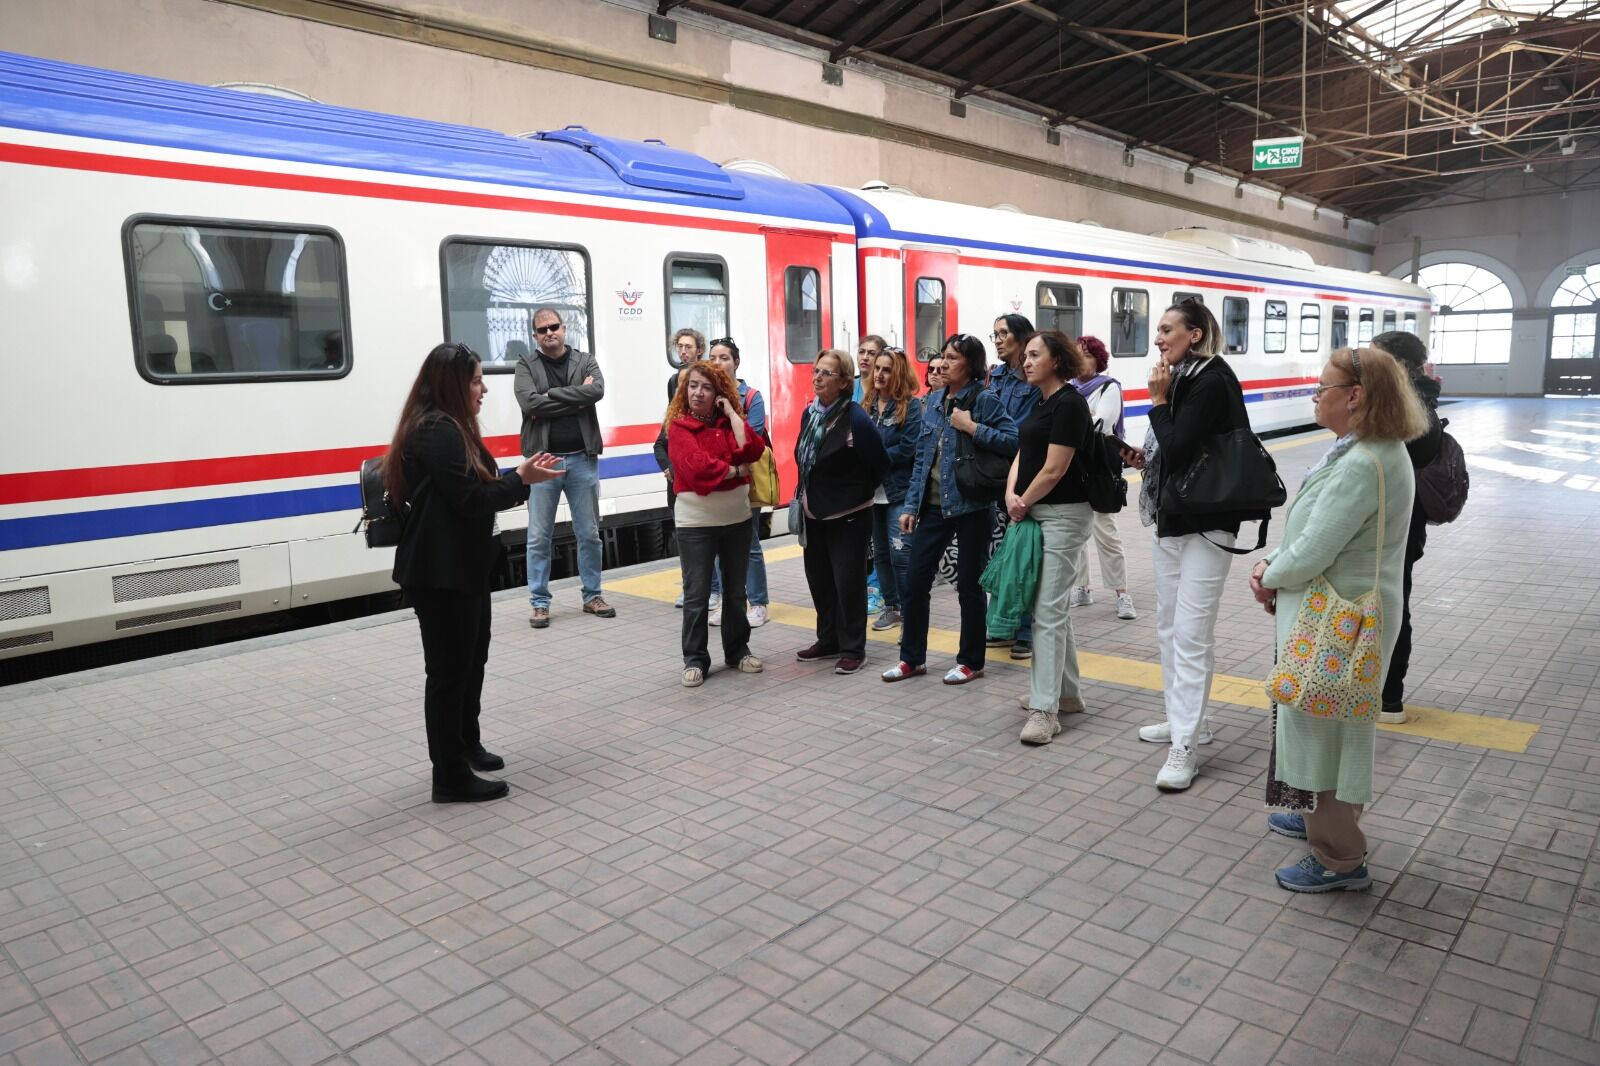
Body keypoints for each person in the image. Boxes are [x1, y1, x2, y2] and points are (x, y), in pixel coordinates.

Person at [1253, 346, 1427, 892]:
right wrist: (1277, 568)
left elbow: (1314, 549)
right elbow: (1315, 535)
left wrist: (1267, 572)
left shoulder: (1362, 462)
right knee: (1327, 722)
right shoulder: (1367, 449)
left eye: (1322, 388)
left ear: (1355, 396)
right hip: (1340, 616)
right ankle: (1316, 813)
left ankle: (1339, 855)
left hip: (1339, 623)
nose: (1315, 396)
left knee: (1322, 729)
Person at [385, 343, 564, 803]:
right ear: (453, 384)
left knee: (470, 661)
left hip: (461, 568)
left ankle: (466, 743)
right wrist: (520, 480)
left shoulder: (448, 425)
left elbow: (470, 491)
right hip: (440, 572)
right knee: (448, 674)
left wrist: (516, 479)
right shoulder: (436, 431)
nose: (483, 389)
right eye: (476, 380)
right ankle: (448, 777)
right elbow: (471, 500)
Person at [1123, 299, 1253, 791]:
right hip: (1175, 516)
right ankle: (1185, 721)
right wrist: (1146, 456)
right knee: (1169, 626)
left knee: (1192, 633)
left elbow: (1179, 449)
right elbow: (1173, 450)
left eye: (1166, 329)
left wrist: (1157, 403)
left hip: (1208, 521)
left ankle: (1186, 747)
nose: (1158, 339)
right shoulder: (1185, 377)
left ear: (1194, 334)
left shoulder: (1212, 380)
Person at [883, 334, 1018, 686]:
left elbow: (1013, 440)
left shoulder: (985, 400)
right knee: (915, 583)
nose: (943, 363)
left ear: (971, 366)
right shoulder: (933, 400)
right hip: (932, 508)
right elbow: (922, 459)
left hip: (972, 505)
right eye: (943, 356)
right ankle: (912, 659)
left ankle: (971, 661)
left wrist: (972, 427)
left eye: (953, 358)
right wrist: (910, 505)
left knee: (969, 587)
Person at [1009, 332, 1095, 745]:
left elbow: (1055, 469)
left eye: (1034, 355)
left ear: (1057, 360)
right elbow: (1023, 453)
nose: (1025, 362)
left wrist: (1022, 500)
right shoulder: (1041, 402)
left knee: (1046, 611)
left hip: (1064, 516)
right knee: (1052, 607)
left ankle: (1045, 712)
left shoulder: (1070, 404)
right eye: (1024, 356)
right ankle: (1068, 694)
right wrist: (1011, 493)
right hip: (1036, 511)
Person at [665, 361, 768, 688]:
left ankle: (738, 651)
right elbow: (696, 468)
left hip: (737, 519)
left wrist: (734, 414)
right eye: (693, 386)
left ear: (719, 393)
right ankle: (695, 659)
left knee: (736, 591)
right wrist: (735, 470)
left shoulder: (728, 423)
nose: (698, 392)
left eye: (707, 387)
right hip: (695, 523)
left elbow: (753, 449)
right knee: (696, 594)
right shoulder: (679, 427)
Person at [514, 309, 615, 628]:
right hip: (542, 462)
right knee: (538, 536)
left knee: (589, 534)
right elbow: (530, 403)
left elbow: (596, 390)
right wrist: (577, 399)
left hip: (582, 458)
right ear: (535, 336)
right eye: (542, 329)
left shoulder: (585, 360)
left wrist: (552, 395)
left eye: (554, 327)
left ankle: (593, 596)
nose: (549, 333)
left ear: (564, 328)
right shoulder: (526, 365)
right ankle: (539, 603)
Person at [794, 349, 890, 675]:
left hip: (848, 515)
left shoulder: (855, 418)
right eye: (816, 371)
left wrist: (855, 492)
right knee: (819, 580)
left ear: (845, 382)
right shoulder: (810, 414)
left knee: (848, 583)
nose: (818, 378)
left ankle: (853, 649)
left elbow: (879, 463)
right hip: (814, 513)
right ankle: (828, 639)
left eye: (827, 373)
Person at [1370, 331, 1442, 726]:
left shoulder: (1406, 404)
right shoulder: (1421, 399)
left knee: (1390, 605)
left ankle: (1388, 696)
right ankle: (1387, 694)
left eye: (1374, 357)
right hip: (1403, 521)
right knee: (1393, 602)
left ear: (1394, 363)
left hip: (1392, 521)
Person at [703, 338, 772, 629]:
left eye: (724, 358)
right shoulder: (705, 394)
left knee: (749, 542)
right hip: (719, 479)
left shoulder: (751, 397)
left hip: (746, 479)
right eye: (713, 358)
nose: (718, 363)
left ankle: (758, 603)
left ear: (736, 362)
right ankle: (729, 603)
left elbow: (750, 440)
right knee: (720, 543)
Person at [985, 313, 1041, 660]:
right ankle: (1003, 625)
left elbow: (1017, 433)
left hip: (1022, 479)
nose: (997, 340)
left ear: (1022, 337)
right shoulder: (995, 376)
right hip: (994, 480)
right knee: (1000, 556)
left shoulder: (1035, 383)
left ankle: (1025, 630)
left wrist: (977, 429)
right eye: (994, 334)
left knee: (1023, 557)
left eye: (1003, 333)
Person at [1070, 335, 1137, 621]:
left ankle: (1122, 593)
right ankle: (1081, 587)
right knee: (1075, 532)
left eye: (1087, 355)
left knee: (1105, 532)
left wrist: (1073, 421)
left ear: (1098, 360)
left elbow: (1102, 424)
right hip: (1073, 469)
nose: (1080, 360)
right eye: (1076, 355)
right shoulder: (1069, 388)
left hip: (1099, 470)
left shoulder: (1108, 387)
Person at [862, 345, 924, 631]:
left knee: (901, 555)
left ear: (898, 374)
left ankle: (911, 614)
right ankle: (892, 608)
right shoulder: (867, 404)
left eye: (886, 370)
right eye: (877, 368)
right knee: (881, 555)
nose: (879, 374)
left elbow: (909, 448)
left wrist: (873, 457)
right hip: (872, 493)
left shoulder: (911, 406)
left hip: (899, 491)